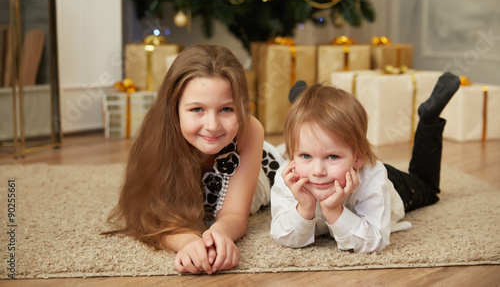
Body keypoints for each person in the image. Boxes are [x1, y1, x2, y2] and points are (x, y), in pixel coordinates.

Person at [105, 44, 281, 274]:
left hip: (260, 167)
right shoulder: (157, 135)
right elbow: (148, 215)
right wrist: (187, 242)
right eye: (197, 109)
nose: (212, 125)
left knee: (297, 167)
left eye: (226, 109)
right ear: (174, 108)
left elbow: (235, 214)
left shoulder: (250, 130)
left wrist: (220, 234)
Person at [270, 72, 461, 253]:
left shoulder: (373, 177)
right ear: (292, 155)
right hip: (344, 167)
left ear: (358, 157)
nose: (317, 171)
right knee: (317, 129)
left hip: (390, 183)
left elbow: (374, 240)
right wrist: (304, 208)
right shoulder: (289, 177)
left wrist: (334, 210)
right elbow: (284, 237)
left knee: (428, 188)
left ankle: (428, 121)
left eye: (332, 156)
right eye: (305, 156)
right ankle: (305, 99)